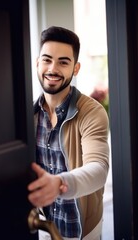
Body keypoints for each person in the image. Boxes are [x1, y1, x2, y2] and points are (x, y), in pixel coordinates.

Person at [27, 26, 109, 240]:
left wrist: (60, 184)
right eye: (47, 60)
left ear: (76, 68)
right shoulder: (28, 114)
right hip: (44, 226)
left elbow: (98, 168)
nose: (52, 69)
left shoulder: (92, 111)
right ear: (38, 63)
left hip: (83, 231)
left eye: (63, 62)